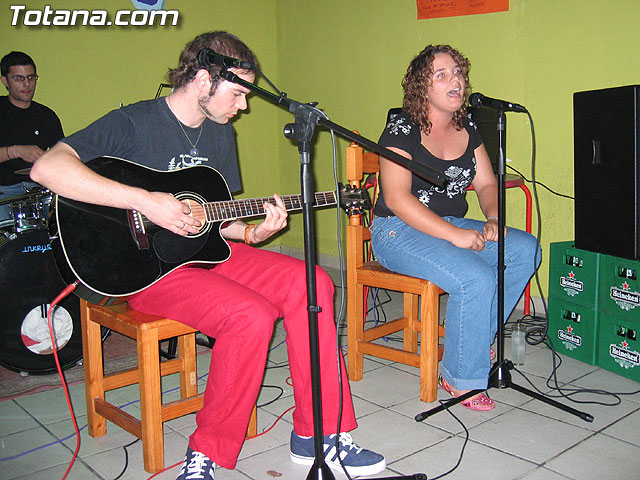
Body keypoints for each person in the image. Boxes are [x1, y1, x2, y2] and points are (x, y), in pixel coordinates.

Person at [30, 31, 385, 479]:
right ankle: (208, 457)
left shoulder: (219, 133)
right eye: (238, 93)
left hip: (206, 256)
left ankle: (320, 433)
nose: (244, 106)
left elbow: (218, 223)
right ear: (202, 80)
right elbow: (48, 168)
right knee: (249, 315)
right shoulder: (134, 122)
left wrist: (254, 232)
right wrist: (144, 200)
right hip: (146, 269)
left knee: (313, 281)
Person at [370, 45, 540, 411]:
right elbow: (398, 199)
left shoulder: (469, 127)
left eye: (458, 73)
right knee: (475, 277)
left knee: (525, 249)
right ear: (421, 87)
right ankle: (461, 377)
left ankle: (476, 339)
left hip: (448, 223)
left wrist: (493, 217)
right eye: (442, 74)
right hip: (397, 230)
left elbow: (486, 185)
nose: (456, 81)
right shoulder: (402, 128)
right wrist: (455, 236)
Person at [0, 51, 64, 222]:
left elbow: (63, 156)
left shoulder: (46, 115)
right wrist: (15, 151)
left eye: (31, 77)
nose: (27, 84)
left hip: (39, 191)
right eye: (19, 78)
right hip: (5, 191)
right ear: (5, 80)